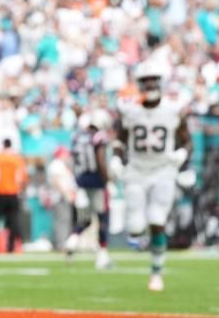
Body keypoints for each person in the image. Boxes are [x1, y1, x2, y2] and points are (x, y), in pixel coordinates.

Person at [113, 60, 191, 292]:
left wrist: (182, 153)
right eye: (145, 81)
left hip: (163, 170)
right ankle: (144, 242)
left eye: (152, 80)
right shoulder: (130, 110)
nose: (149, 84)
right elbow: (119, 139)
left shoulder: (172, 109)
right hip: (136, 170)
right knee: (135, 227)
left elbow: (186, 139)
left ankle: (156, 273)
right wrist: (117, 157)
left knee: (157, 220)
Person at [66, 110, 114, 270]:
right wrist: (107, 180)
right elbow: (100, 159)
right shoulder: (98, 137)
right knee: (103, 218)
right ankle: (102, 255)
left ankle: (72, 240)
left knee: (86, 218)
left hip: (81, 180)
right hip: (96, 180)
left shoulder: (77, 137)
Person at [0, 139, 28, 253]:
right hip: (13, 193)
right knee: (13, 221)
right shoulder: (17, 159)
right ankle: (12, 246)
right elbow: (21, 178)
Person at [45, 147, 76, 252]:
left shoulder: (60, 165)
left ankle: (62, 243)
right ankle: (61, 244)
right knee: (62, 221)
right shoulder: (57, 164)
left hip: (62, 197)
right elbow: (56, 180)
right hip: (60, 197)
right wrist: (66, 193)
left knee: (64, 220)